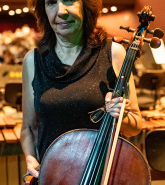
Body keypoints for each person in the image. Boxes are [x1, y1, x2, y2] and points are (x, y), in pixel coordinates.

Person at [20, 0, 142, 179]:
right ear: (43, 10)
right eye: (51, 2)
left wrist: (121, 116)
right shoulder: (32, 61)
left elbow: (136, 125)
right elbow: (28, 127)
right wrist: (30, 158)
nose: (61, 11)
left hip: (102, 177)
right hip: (55, 178)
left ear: (87, 6)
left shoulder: (114, 53)